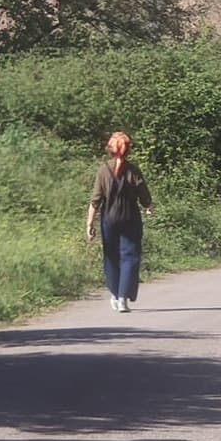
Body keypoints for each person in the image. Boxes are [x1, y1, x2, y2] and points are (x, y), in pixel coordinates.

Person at [87, 131, 153, 312]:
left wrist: (89, 224)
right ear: (127, 150)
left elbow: (96, 200)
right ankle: (123, 298)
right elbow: (144, 195)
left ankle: (115, 295)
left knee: (112, 257)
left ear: (111, 150)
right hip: (130, 218)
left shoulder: (103, 170)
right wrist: (148, 206)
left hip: (109, 219)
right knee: (130, 257)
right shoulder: (133, 170)